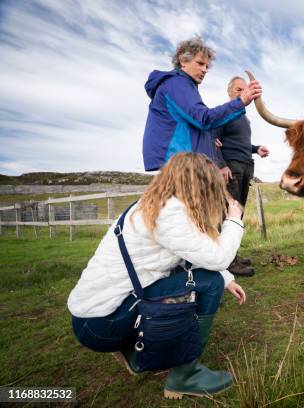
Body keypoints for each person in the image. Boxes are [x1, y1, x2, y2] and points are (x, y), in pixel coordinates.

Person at [67, 152, 246, 398]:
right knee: (210, 283)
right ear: (199, 184)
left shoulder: (155, 205)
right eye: (213, 186)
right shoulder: (170, 213)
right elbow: (217, 257)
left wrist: (228, 279)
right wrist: (234, 221)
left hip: (97, 316)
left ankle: (138, 353)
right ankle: (186, 375)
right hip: (102, 323)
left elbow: (191, 253)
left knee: (212, 279)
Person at [142, 36, 262, 171]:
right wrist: (241, 102)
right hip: (180, 163)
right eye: (200, 63)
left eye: (206, 66)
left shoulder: (184, 86)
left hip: (187, 162)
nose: (205, 69)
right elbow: (204, 119)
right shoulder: (177, 83)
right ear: (183, 61)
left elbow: (196, 126)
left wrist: (211, 143)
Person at [214, 76, 270, 276]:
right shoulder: (224, 113)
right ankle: (228, 262)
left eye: (244, 89)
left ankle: (233, 255)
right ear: (229, 92)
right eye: (238, 89)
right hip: (232, 168)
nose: (242, 92)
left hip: (246, 166)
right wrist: (221, 165)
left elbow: (241, 143)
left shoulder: (244, 117)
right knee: (230, 212)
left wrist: (256, 149)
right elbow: (213, 140)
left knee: (239, 213)